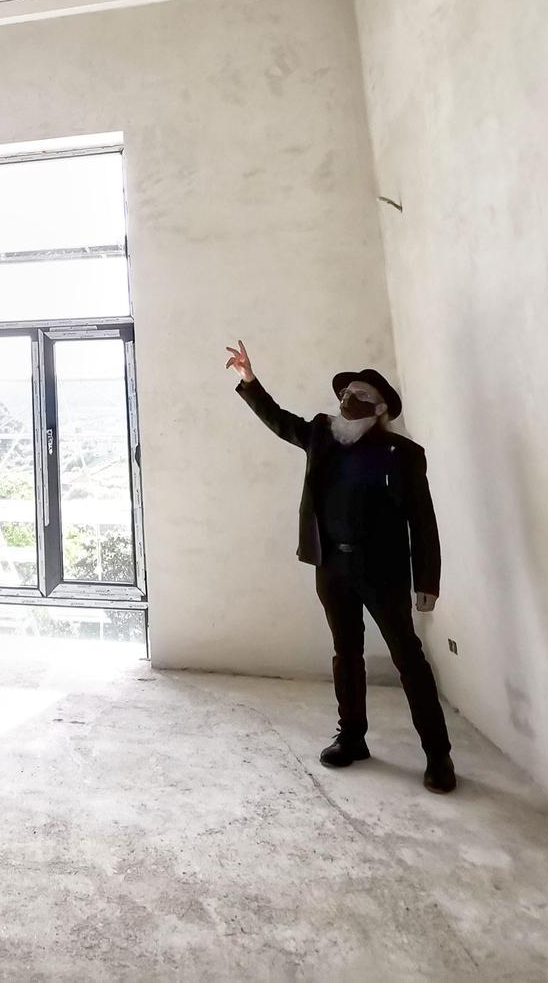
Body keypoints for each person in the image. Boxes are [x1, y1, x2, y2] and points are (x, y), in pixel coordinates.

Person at [224, 340, 456, 793]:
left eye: (362, 396)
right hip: (331, 567)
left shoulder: (403, 455)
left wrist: (428, 580)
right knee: (346, 654)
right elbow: (279, 421)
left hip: (384, 572)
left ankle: (438, 756)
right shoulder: (321, 435)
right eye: (347, 392)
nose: (350, 399)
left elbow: (423, 523)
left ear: (381, 408)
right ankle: (352, 738)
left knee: (408, 657)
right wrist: (249, 380)